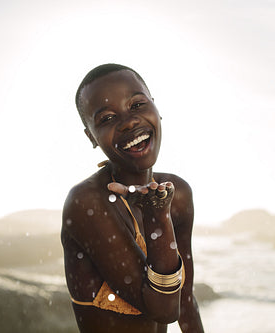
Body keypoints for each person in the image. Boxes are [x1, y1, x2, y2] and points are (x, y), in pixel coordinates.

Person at [61, 64, 204, 333]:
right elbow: (165, 310)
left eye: (137, 105)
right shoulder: (87, 203)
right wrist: (157, 218)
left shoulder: (178, 194)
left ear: (156, 108)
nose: (128, 121)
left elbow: (184, 300)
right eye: (106, 118)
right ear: (91, 136)